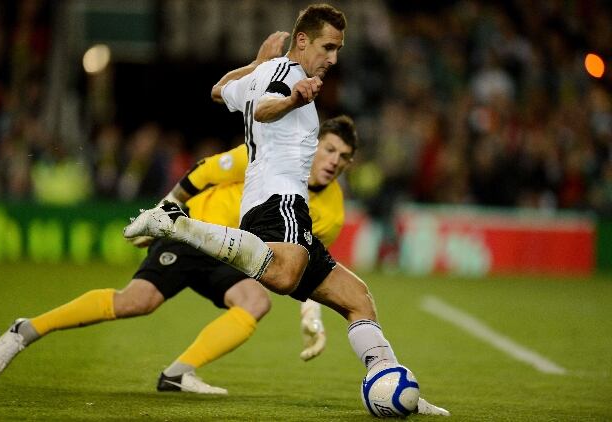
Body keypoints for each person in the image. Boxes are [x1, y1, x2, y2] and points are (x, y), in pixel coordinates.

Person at [123, 4, 449, 416]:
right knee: (283, 274)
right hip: (280, 199)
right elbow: (265, 109)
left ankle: (393, 383)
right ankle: (178, 225)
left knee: (357, 298)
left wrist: (255, 63)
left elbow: (219, 91)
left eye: (338, 49)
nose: (333, 58)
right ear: (303, 41)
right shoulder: (290, 77)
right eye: (328, 47)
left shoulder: (264, 72)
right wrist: (294, 97)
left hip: (268, 203)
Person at [0, 114, 357, 396]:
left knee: (255, 301)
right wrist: (161, 215)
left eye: (343, 157)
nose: (333, 161)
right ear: (312, 144)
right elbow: (202, 173)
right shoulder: (269, 156)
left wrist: (312, 314)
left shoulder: (333, 212)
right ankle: (27, 329)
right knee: (137, 302)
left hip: (231, 255)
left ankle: (178, 374)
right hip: (191, 232)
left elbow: (303, 262)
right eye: (329, 149)